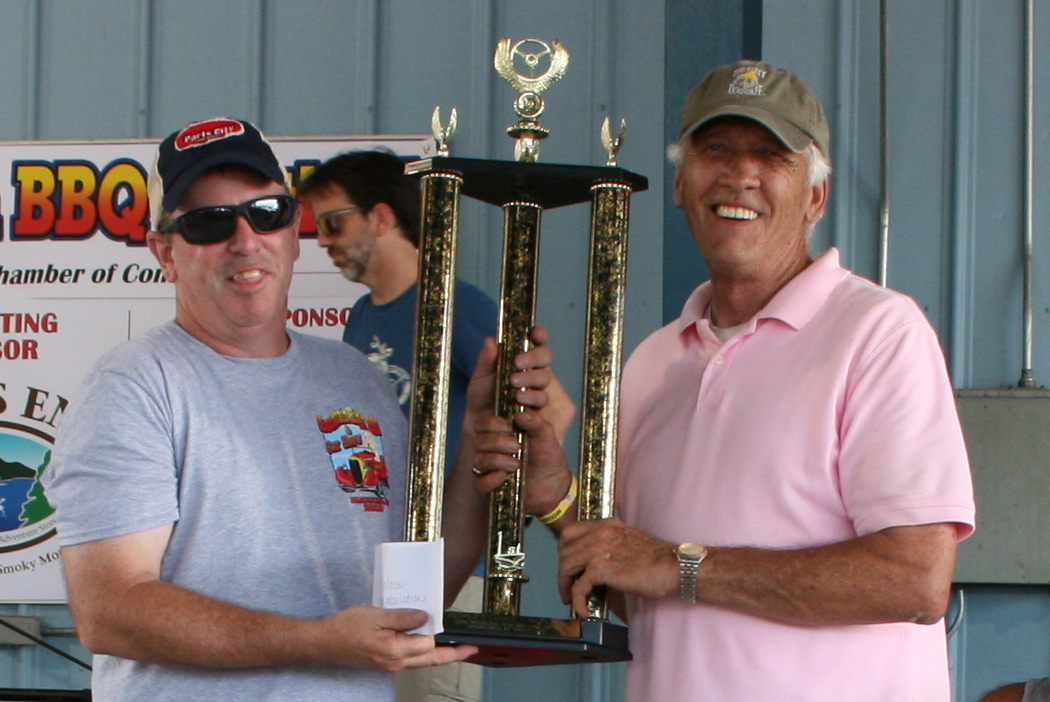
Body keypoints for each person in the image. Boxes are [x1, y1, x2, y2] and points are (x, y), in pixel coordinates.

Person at [473, 60, 977, 701]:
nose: (740, 175)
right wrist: (559, 499)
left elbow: (914, 581)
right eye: (716, 150)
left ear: (814, 196)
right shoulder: (654, 362)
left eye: (771, 155)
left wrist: (677, 565)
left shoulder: (878, 333)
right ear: (683, 183)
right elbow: (646, 593)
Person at [41, 117, 555, 702]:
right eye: (209, 223)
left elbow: (418, 593)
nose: (245, 240)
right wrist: (318, 640)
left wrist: (476, 441)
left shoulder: (354, 380)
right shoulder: (134, 387)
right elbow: (111, 611)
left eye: (267, 213)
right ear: (165, 252)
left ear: (290, 232)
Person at [297, 150, 575, 702]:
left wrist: (500, 513)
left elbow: (554, 410)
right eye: (314, 227)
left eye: (333, 222)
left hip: (447, 563)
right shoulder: (361, 314)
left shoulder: (455, 303)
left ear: (380, 217)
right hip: (376, 564)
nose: (322, 240)